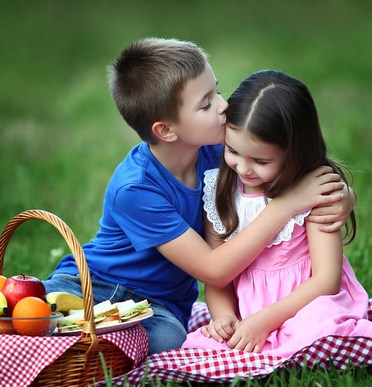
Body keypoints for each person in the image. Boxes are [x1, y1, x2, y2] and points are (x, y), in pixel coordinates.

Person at [43, 39, 354, 355]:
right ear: (166, 131)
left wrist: (342, 195)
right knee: (33, 312)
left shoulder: (224, 155)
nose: (223, 105)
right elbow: (214, 270)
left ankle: (87, 346)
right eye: (206, 103)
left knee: (168, 341)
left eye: (216, 91)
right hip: (89, 284)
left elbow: (289, 165)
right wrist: (288, 206)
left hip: (158, 305)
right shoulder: (135, 188)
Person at [182, 70, 372, 355]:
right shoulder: (219, 189)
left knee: (320, 330)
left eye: (260, 160)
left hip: (307, 306)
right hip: (248, 317)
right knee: (202, 346)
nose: (244, 169)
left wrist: (264, 321)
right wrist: (225, 318)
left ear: (294, 151)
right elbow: (218, 278)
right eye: (233, 151)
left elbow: (327, 280)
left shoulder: (313, 191)